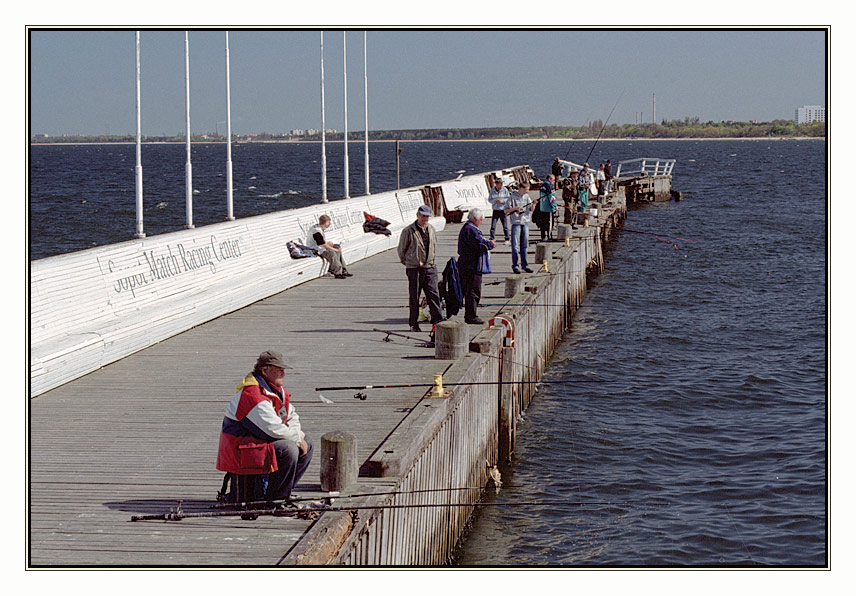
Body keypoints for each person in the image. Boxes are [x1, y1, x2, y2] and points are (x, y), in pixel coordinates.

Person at [216, 350, 312, 503]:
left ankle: (281, 492)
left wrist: (298, 435)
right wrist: (296, 439)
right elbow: (273, 429)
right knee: (289, 448)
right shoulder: (251, 395)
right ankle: (276, 500)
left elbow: (291, 414)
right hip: (241, 450)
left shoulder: (274, 389)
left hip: (256, 442)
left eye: (283, 369)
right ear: (265, 370)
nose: (283, 373)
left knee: (306, 444)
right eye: (279, 369)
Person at [398, 204, 443, 333]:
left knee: (433, 295)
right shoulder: (408, 231)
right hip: (414, 269)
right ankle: (413, 323)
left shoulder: (431, 229)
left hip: (430, 267)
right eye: (423, 216)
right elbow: (401, 250)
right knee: (414, 296)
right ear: (418, 215)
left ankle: (437, 322)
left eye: (427, 217)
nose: (425, 219)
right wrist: (409, 262)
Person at [457, 208, 496, 325]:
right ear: (474, 219)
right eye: (480, 219)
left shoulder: (468, 228)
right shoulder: (471, 230)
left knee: (470, 291)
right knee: (473, 292)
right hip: (471, 267)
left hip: (467, 265)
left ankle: (470, 314)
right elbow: (479, 244)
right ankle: (471, 316)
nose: (481, 222)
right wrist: (491, 244)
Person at [306, 214, 351, 279]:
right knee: (332, 253)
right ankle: (336, 272)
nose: (329, 224)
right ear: (324, 222)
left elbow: (321, 242)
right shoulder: (316, 231)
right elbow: (322, 244)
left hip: (320, 247)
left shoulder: (320, 228)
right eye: (328, 222)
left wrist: (330, 244)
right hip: (316, 250)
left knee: (337, 248)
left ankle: (343, 270)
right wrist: (334, 249)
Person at [506, 181, 534, 274]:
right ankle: (515, 266)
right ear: (521, 188)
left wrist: (534, 204)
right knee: (515, 246)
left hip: (525, 222)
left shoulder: (527, 197)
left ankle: (525, 265)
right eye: (526, 189)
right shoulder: (512, 197)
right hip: (516, 223)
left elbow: (531, 209)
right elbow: (506, 210)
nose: (528, 191)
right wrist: (516, 208)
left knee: (524, 245)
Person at [488, 177, 510, 245]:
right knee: (493, 225)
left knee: (505, 226)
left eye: (501, 184)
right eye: (499, 184)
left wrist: (502, 201)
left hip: (502, 210)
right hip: (495, 210)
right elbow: (489, 199)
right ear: (496, 184)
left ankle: (507, 238)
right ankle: (492, 238)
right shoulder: (492, 190)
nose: (500, 185)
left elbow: (508, 199)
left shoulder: (505, 190)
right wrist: (495, 201)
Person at [538, 174, 558, 240]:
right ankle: (550, 236)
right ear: (549, 179)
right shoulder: (549, 186)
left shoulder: (542, 186)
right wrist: (555, 206)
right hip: (548, 208)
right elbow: (551, 197)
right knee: (550, 223)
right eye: (553, 180)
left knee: (543, 223)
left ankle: (543, 237)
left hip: (542, 207)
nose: (554, 182)